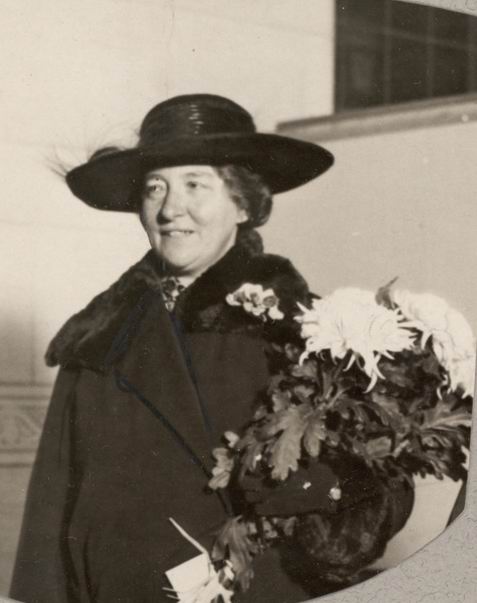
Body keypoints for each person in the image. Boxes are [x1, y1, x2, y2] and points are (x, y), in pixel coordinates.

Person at [10, 94, 414, 603]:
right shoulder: (97, 340)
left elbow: (382, 489)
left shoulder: (309, 333)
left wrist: (314, 495)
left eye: (194, 185)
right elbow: (49, 523)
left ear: (242, 203)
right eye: (155, 187)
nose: (169, 208)